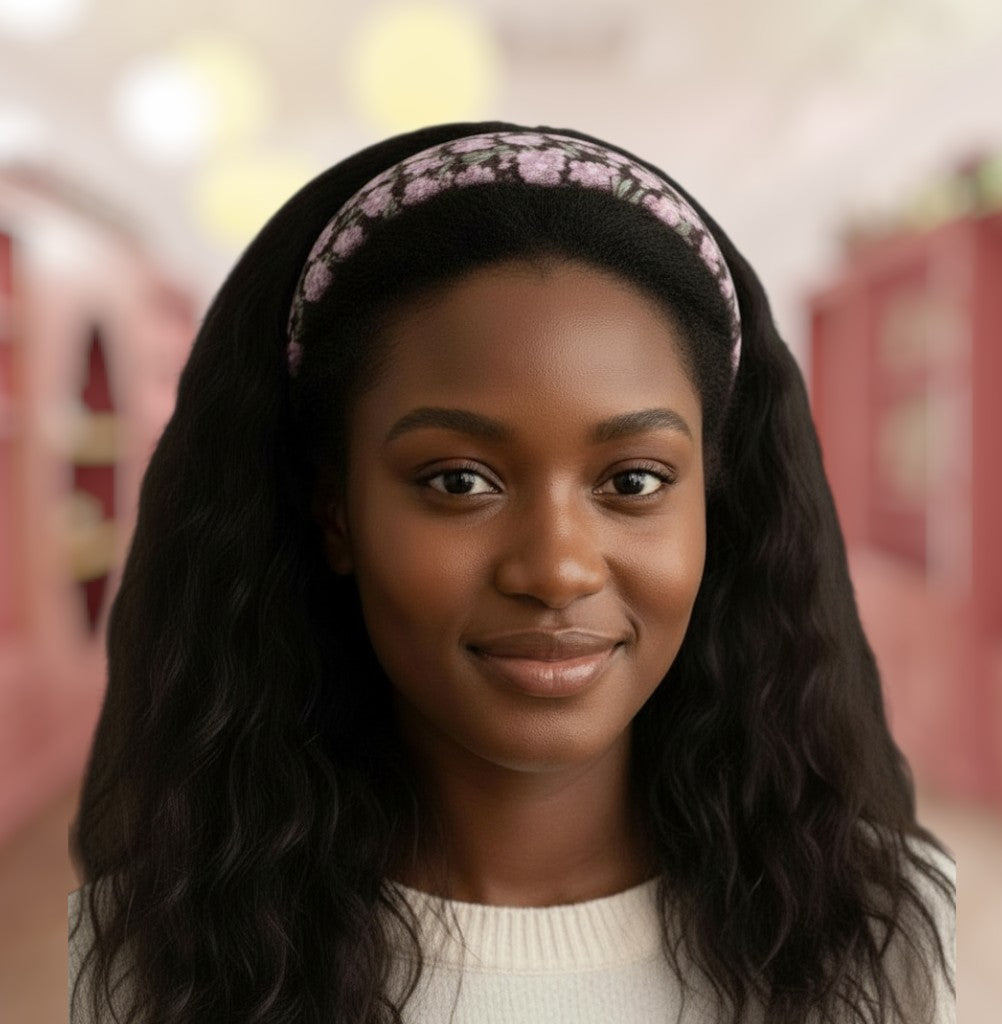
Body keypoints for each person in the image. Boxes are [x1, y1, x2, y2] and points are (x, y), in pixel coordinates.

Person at [67, 122, 955, 1024]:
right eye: (460, 482)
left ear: (714, 509)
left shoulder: (878, 932)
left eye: (634, 481)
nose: (557, 569)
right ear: (335, 511)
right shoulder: (162, 956)